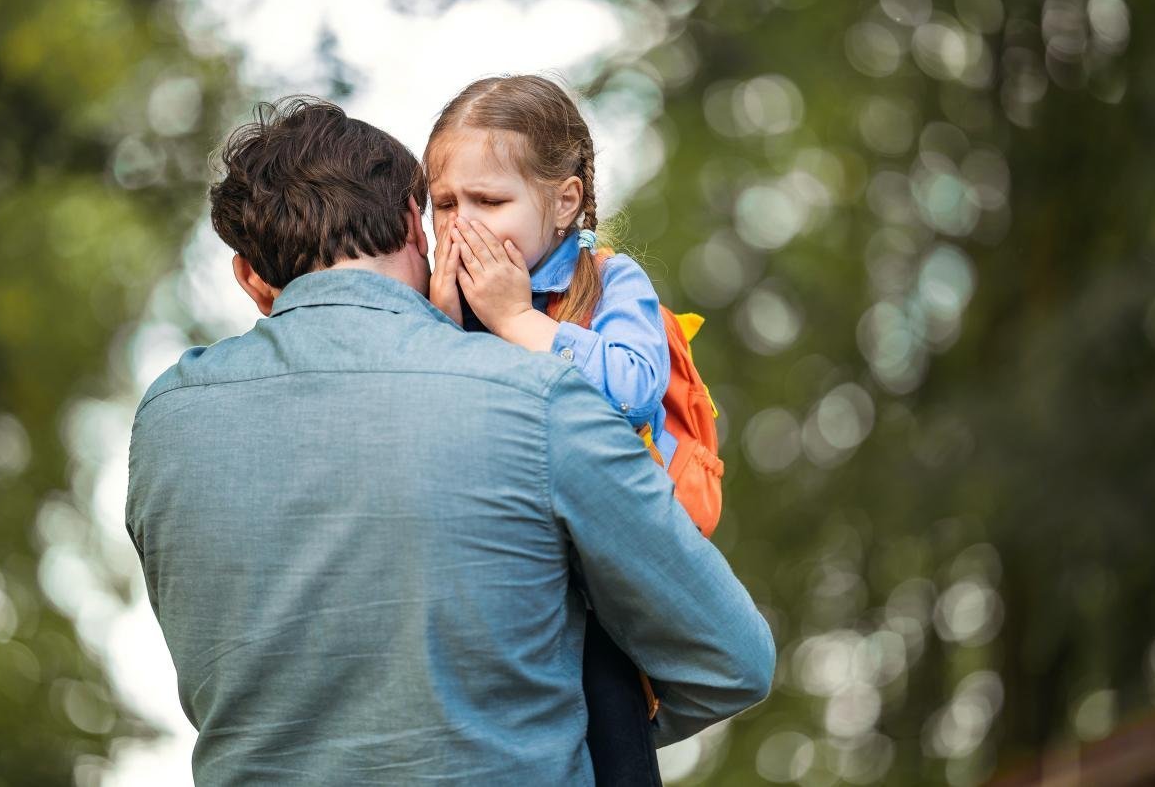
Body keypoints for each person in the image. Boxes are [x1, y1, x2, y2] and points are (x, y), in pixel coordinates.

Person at [125, 96, 775, 786]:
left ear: (250, 276)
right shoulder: (540, 395)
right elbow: (732, 659)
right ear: (416, 221)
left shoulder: (166, 420)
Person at [423, 74, 722, 785]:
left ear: (565, 201)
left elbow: (629, 388)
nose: (462, 224)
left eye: (489, 201)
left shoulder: (614, 284)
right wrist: (435, 324)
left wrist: (518, 321)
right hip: (493, 584)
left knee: (610, 728)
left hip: (599, 596)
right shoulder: (440, 299)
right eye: (443, 203)